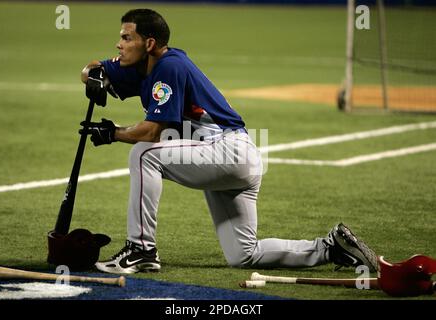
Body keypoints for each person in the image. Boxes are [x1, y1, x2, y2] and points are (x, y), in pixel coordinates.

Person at [80, 9, 378, 274]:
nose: (119, 45)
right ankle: (330, 247)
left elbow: (152, 133)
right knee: (243, 255)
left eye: (126, 38)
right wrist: (94, 77)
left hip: (226, 151)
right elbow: (92, 67)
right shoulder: (142, 65)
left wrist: (113, 132)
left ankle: (140, 249)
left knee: (144, 154)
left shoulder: (169, 67)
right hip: (232, 158)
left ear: (149, 44)